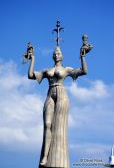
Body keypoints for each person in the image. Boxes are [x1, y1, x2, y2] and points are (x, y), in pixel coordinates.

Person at [27, 40, 92, 168]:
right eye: (55, 52)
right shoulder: (47, 70)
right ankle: (45, 157)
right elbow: (30, 75)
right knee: (47, 125)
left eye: (59, 52)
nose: (57, 54)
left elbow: (84, 71)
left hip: (62, 94)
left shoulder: (66, 69)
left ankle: (57, 158)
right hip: (50, 93)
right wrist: (32, 58)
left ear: (62, 56)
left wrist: (82, 55)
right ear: (53, 56)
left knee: (59, 127)